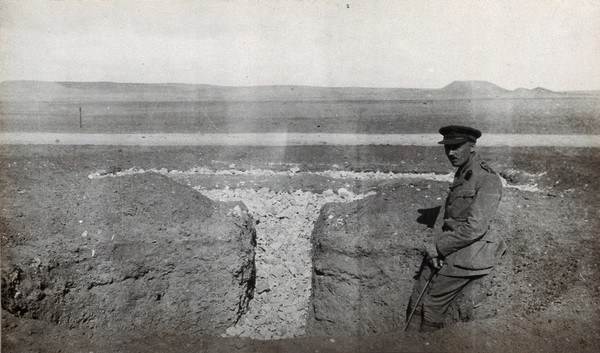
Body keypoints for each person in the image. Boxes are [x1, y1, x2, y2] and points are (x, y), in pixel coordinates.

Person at [406, 125, 507, 332]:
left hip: (470, 251)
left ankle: (427, 345)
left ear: (471, 146)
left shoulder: (487, 178)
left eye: (457, 146)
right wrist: (435, 247)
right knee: (417, 298)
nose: (450, 153)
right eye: (447, 148)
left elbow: (475, 227)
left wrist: (440, 248)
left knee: (432, 304)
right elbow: (448, 216)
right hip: (452, 244)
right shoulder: (463, 172)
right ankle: (407, 343)